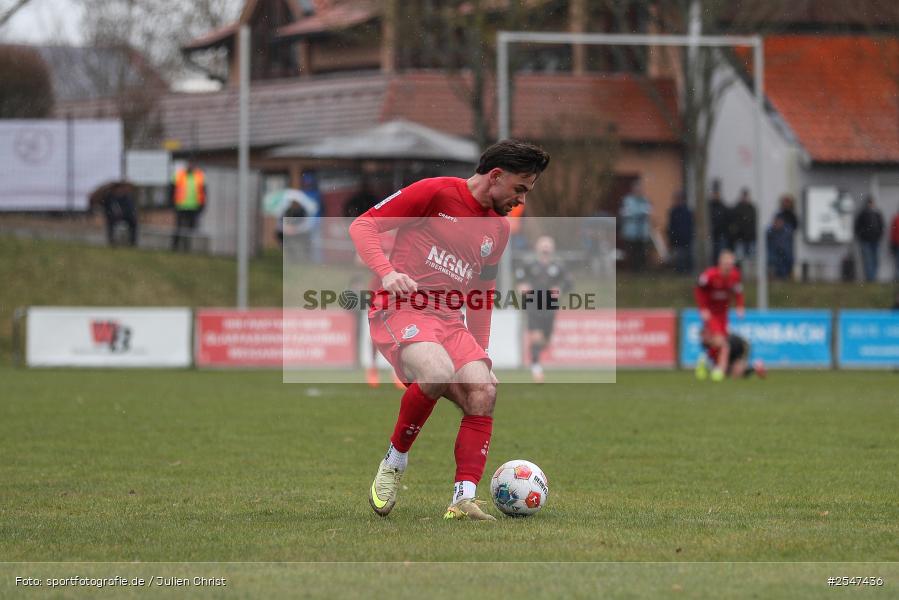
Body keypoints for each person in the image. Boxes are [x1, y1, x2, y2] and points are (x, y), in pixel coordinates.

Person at [349, 139, 550, 521]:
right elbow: (364, 226)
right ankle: (394, 462)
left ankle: (463, 499)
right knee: (437, 371)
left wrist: (481, 351)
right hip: (401, 308)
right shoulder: (435, 192)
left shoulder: (499, 230)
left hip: (449, 322)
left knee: (484, 388)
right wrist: (387, 272)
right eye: (519, 189)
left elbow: (483, 293)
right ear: (495, 176)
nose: (520, 200)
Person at [515, 235, 573, 383]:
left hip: (550, 307)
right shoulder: (529, 264)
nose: (545, 247)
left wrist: (560, 289)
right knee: (536, 337)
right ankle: (536, 369)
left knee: (545, 341)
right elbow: (520, 280)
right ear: (537, 248)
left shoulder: (559, 266)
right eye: (543, 245)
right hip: (533, 304)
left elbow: (568, 282)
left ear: (552, 248)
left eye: (548, 245)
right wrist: (522, 287)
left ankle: (537, 353)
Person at [694, 250, 745, 382]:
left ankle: (705, 360)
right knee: (722, 342)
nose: (728, 266)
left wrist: (740, 307)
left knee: (718, 342)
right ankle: (719, 370)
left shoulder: (735, 276)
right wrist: (703, 309)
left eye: (731, 263)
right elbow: (699, 290)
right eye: (726, 263)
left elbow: (738, 292)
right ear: (720, 263)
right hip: (711, 314)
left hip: (723, 314)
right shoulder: (710, 275)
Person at [170, 162, 206, 252]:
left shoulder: (199, 176)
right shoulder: (179, 175)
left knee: (190, 229)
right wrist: (172, 203)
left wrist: (201, 206)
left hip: (193, 207)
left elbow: (203, 192)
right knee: (178, 228)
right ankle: (175, 247)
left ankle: (187, 247)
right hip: (180, 206)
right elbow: (172, 190)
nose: (190, 166)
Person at [619, 180, 652, 272]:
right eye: (636, 189)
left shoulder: (645, 200)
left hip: (642, 232)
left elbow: (647, 212)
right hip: (631, 232)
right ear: (633, 190)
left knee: (641, 251)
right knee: (631, 251)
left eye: (639, 189)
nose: (638, 191)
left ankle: (641, 269)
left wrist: (635, 213)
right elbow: (625, 213)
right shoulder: (627, 200)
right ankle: (632, 269)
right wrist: (637, 214)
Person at [854, 195, 884, 282]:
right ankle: (870, 278)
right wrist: (862, 236)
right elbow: (857, 227)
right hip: (866, 241)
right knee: (868, 260)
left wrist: (879, 236)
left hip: (875, 241)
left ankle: (873, 277)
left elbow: (882, 226)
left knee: (875, 260)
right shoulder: (863, 214)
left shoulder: (877, 214)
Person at [666, 190, 693, 274]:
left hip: (686, 238)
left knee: (687, 256)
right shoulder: (673, 212)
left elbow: (690, 225)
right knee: (679, 257)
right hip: (677, 238)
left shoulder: (687, 211)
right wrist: (672, 237)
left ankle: (687, 271)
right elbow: (671, 226)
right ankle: (680, 272)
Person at [729, 188, 757, 263]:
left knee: (750, 259)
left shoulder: (751, 208)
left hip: (750, 238)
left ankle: (749, 274)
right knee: (739, 259)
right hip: (740, 238)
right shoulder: (737, 208)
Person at [708, 179, 731, 263]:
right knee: (713, 254)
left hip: (721, 234)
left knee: (720, 253)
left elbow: (726, 219)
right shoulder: (709, 206)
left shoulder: (722, 206)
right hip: (712, 234)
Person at [767, 215, 794, 279]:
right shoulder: (771, 231)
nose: (778, 224)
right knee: (775, 259)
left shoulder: (786, 231)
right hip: (775, 252)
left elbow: (786, 244)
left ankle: (784, 275)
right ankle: (779, 275)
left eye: (780, 222)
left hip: (783, 252)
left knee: (787, 258)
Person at [890, 209, 899, 281]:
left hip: (896, 243)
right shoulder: (896, 219)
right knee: (897, 262)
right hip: (897, 244)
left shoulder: (896, 219)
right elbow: (893, 233)